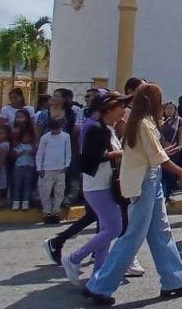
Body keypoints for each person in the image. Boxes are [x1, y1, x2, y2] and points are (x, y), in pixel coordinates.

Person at [83, 82, 182, 306]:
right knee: (134, 235)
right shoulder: (143, 123)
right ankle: (100, 285)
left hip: (149, 178)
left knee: (160, 230)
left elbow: (155, 154)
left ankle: (174, 280)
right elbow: (157, 157)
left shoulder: (142, 122)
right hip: (145, 180)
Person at [60, 91, 127, 286]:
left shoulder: (108, 129)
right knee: (115, 228)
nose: (123, 110)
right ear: (109, 109)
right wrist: (115, 154)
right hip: (97, 186)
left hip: (104, 184)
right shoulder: (97, 129)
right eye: (120, 107)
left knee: (106, 230)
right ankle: (74, 258)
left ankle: (99, 273)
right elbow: (88, 159)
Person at [37, 115, 71, 225]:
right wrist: (39, 168)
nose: (56, 130)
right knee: (45, 191)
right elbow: (40, 153)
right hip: (47, 168)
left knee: (59, 191)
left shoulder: (66, 137)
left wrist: (67, 165)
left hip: (61, 168)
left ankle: (56, 211)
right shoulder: (45, 138)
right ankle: (47, 211)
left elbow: (68, 152)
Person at [158, 101, 182, 202]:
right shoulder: (161, 120)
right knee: (163, 173)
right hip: (162, 149)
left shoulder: (178, 120)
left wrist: (179, 146)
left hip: (174, 150)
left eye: (171, 108)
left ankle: (168, 194)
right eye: (167, 108)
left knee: (171, 173)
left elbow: (180, 133)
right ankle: (162, 194)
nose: (169, 110)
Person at [12, 125, 37, 210]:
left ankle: (25, 203)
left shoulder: (32, 146)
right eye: (24, 137)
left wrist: (31, 152)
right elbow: (14, 156)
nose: (26, 138)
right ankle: (16, 202)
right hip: (19, 167)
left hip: (29, 167)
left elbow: (36, 154)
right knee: (17, 185)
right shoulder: (17, 145)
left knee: (27, 186)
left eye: (28, 137)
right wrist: (21, 153)